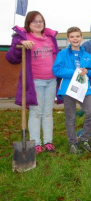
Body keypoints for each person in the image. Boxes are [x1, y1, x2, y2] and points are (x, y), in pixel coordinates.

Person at [6, 11, 59, 154]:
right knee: (36, 113)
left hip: (51, 81)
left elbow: (56, 56)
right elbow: (11, 58)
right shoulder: (23, 37)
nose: (38, 23)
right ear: (28, 23)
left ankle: (48, 142)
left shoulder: (49, 38)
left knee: (47, 113)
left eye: (41, 21)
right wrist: (20, 43)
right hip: (35, 81)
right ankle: (35, 143)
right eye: (34, 21)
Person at [52, 27, 91, 154]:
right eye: (72, 37)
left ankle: (85, 139)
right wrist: (75, 72)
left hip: (84, 89)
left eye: (77, 36)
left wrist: (88, 71)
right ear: (68, 39)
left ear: (82, 38)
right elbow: (57, 70)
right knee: (70, 117)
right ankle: (72, 143)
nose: (75, 39)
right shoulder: (62, 54)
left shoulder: (87, 56)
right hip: (68, 89)